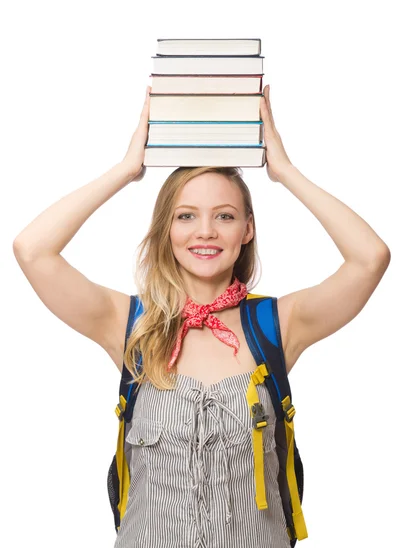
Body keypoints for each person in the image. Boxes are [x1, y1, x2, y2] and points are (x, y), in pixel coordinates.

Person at [13, 85, 391, 547]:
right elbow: (32, 251)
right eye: (186, 216)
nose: (206, 231)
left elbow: (370, 258)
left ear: (248, 229)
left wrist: (286, 172)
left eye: (226, 216)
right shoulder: (130, 325)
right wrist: (127, 169)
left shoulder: (276, 326)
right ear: (165, 229)